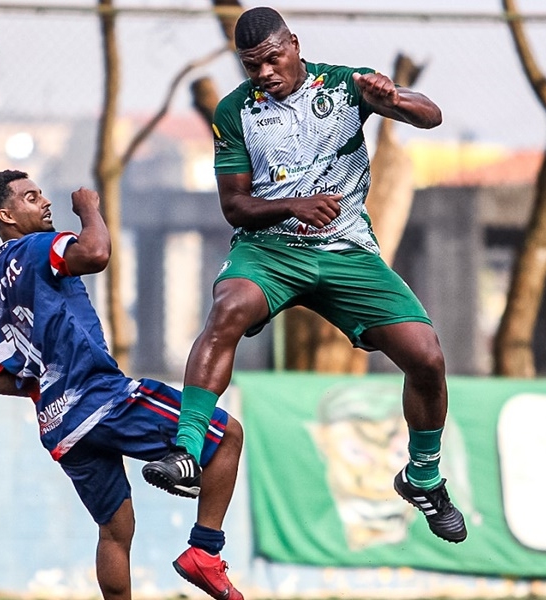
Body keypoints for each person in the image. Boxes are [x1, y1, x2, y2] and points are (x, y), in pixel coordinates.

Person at [143, 6, 467, 544]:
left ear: (293, 43)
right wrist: (291, 205)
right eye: (252, 66)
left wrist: (395, 100)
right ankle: (186, 450)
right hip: (269, 251)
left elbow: (430, 117)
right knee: (226, 310)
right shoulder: (235, 113)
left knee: (427, 356)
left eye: (272, 58)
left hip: (346, 251)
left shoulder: (343, 87)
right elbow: (236, 207)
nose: (265, 73)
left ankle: (424, 479)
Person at [0, 169, 245, 600]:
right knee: (227, 435)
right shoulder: (39, 246)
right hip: (102, 398)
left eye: (41, 193)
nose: (44, 202)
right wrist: (89, 211)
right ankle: (205, 552)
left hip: (60, 426)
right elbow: (96, 253)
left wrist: (48, 384)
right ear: (6, 215)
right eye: (30, 197)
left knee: (115, 531)